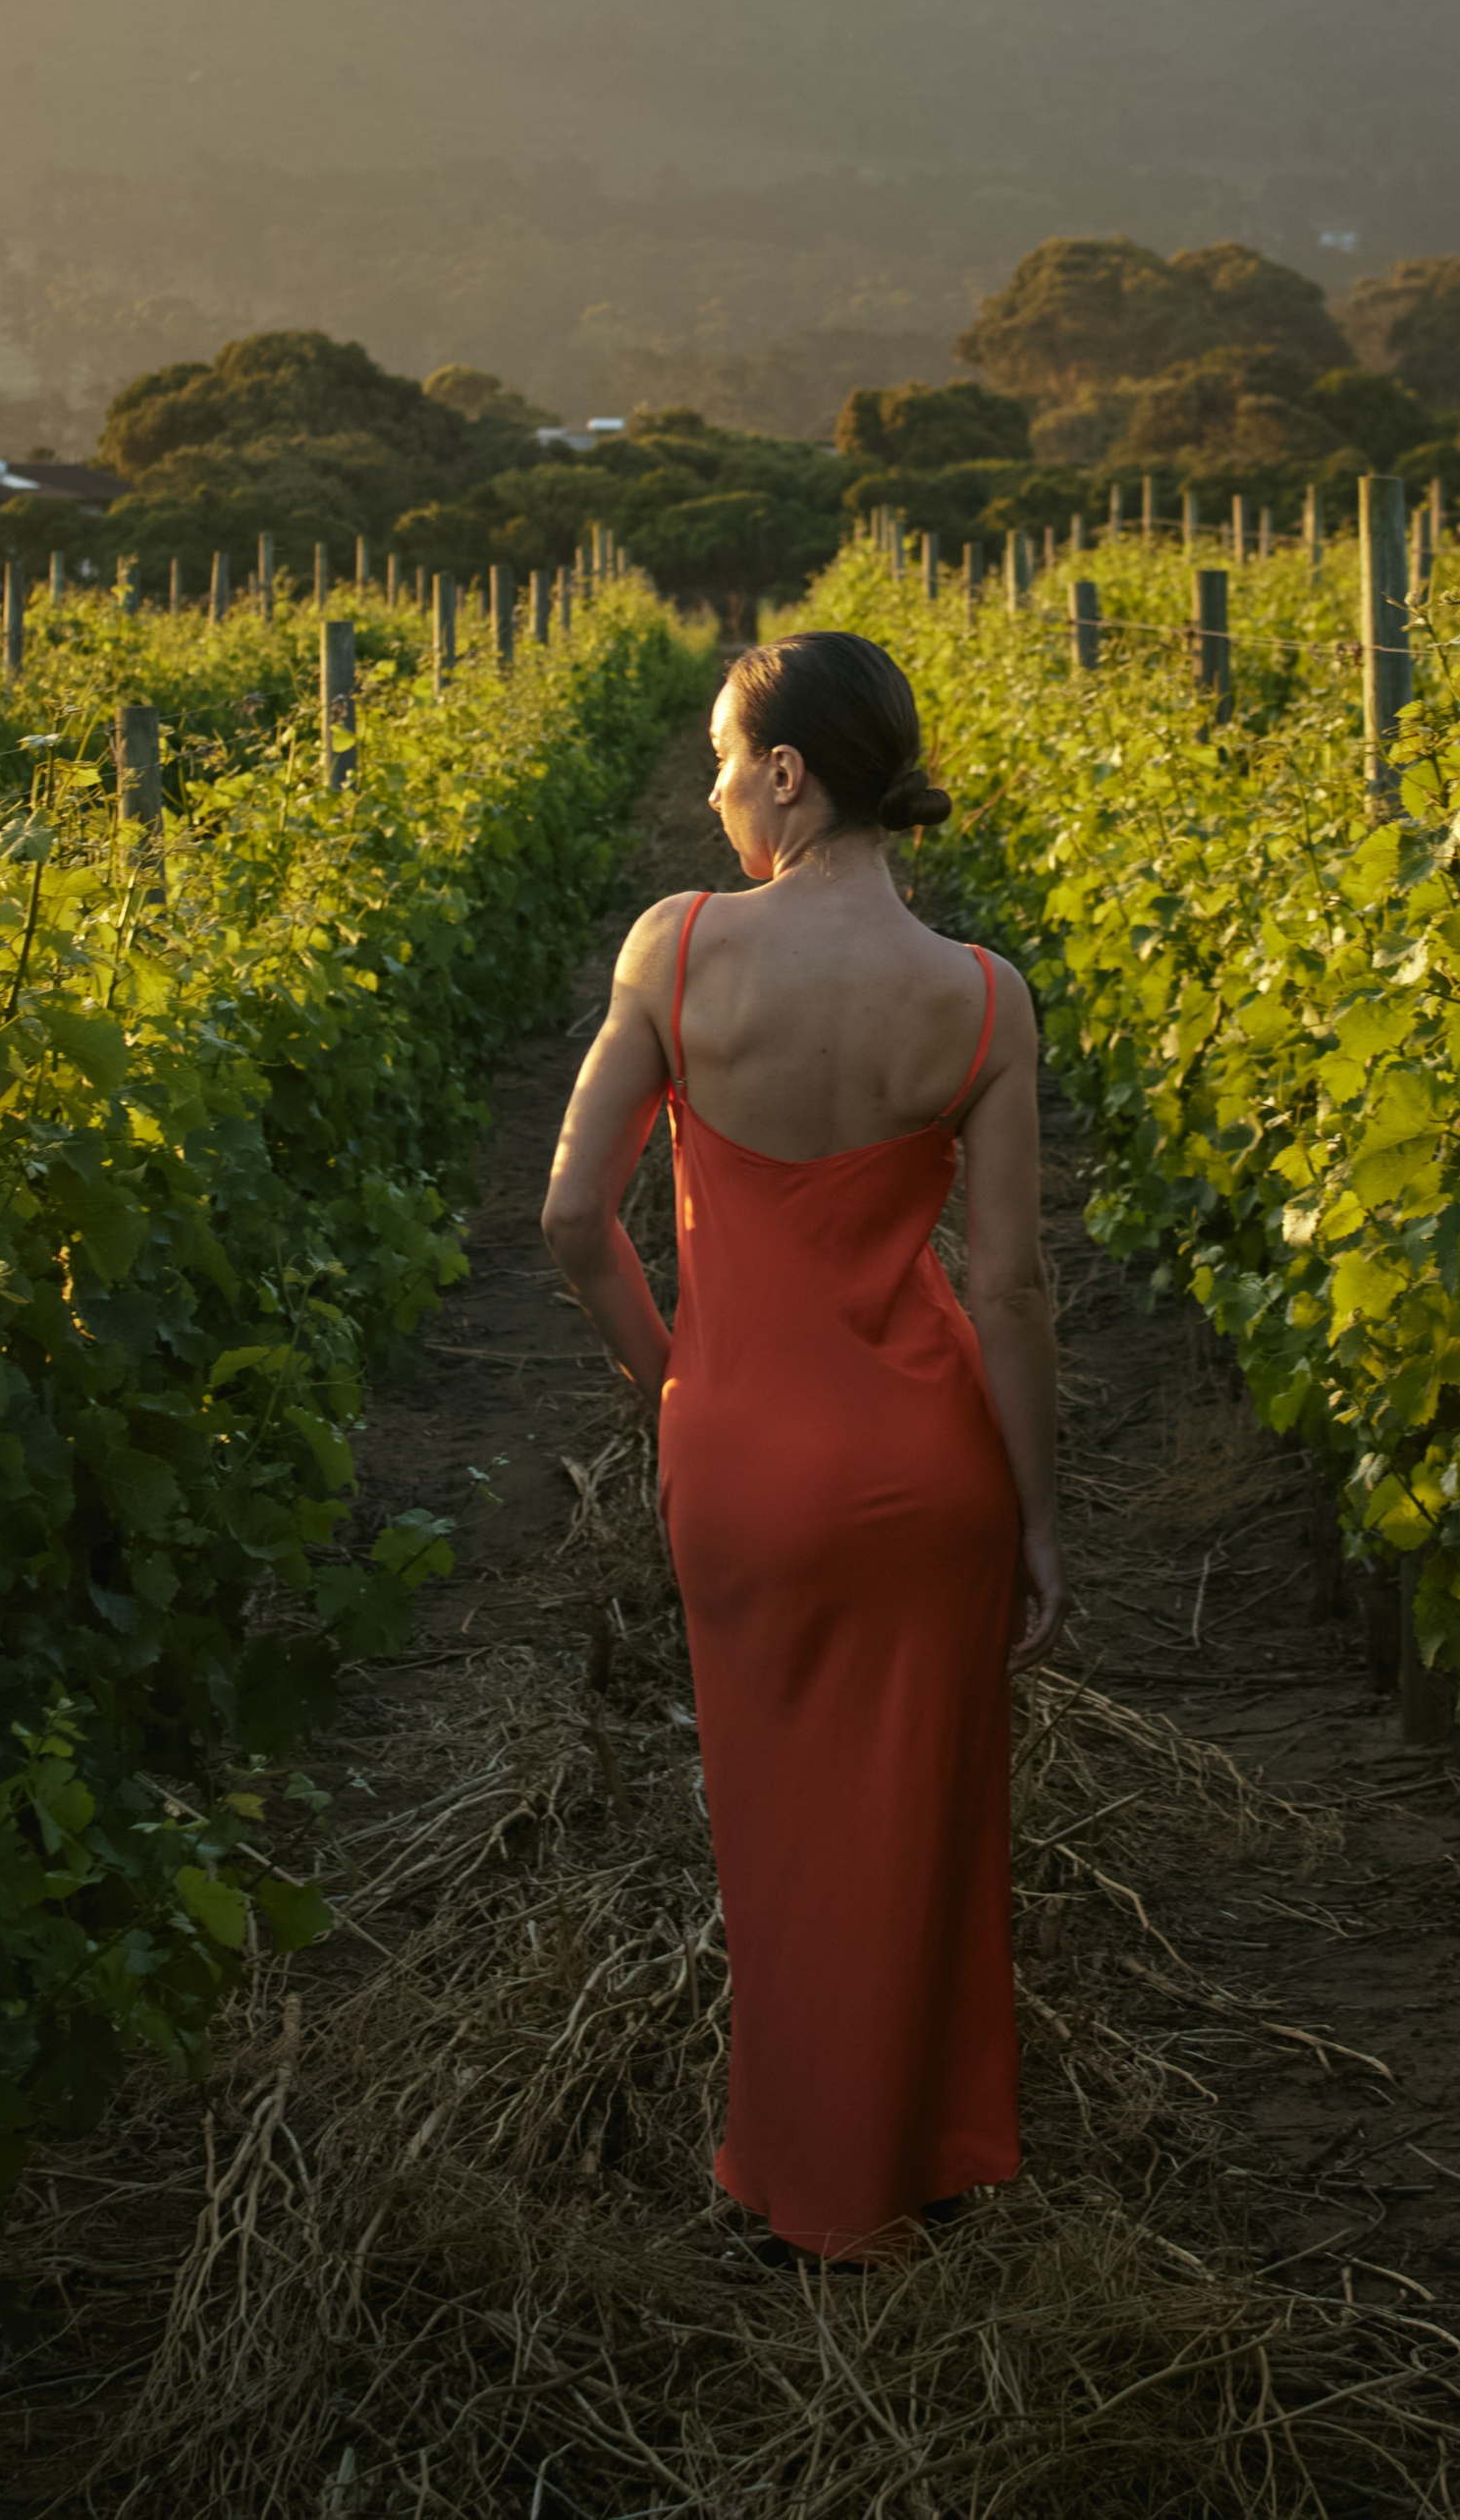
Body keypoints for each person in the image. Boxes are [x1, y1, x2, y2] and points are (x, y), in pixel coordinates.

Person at [542, 628, 1066, 2262]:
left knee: (778, 1838)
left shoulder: (678, 951)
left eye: (721, 758)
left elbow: (570, 1215)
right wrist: (1040, 1522)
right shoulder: (980, 997)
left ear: (788, 771)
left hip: (746, 1468)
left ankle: (798, 2188)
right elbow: (1009, 1285)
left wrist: (676, 1389)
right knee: (923, 1823)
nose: (706, 791)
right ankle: (921, 2169)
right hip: (928, 1474)